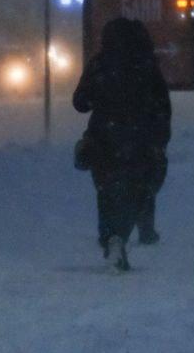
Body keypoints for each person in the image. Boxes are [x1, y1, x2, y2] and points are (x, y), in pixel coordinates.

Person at [72, 18, 172, 272]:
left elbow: (80, 102)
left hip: (103, 139)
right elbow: (162, 107)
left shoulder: (100, 64)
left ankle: (110, 238)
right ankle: (122, 236)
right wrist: (158, 139)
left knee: (106, 192)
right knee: (135, 192)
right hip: (139, 140)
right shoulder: (147, 66)